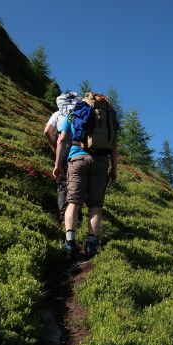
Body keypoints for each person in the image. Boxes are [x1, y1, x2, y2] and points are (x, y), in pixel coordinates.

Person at [53, 93, 118, 260]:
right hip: (101, 162)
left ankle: (70, 243)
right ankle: (91, 244)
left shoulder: (75, 111)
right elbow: (113, 145)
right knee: (96, 205)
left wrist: (58, 164)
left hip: (77, 159)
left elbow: (61, 139)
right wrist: (114, 170)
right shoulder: (109, 116)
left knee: (73, 202)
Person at [44, 92, 81, 223]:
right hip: (78, 146)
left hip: (63, 145)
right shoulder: (79, 114)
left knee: (62, 183)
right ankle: (76, 216)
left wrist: (56, 146)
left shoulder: (57, 113)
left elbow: (47, 131)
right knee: (76, 181)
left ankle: (62, 217)